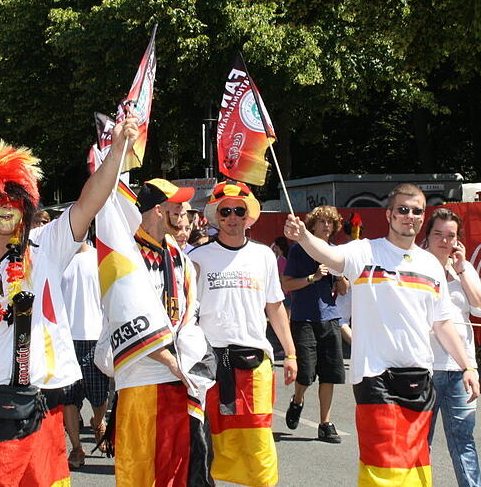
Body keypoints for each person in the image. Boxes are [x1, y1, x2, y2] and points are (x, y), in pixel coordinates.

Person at [0, 117, 136, 486]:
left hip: (43, 401)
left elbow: (89, 202)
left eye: (13, 203)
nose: (5, 211)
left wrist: (116, 151)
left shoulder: (47, 246)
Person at [284, 183, 480, 487]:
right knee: (383, 469)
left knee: (415, 467)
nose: (409, 216)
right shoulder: (365, 251)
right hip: (375, 377)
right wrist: (304, 236)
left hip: (419, 378)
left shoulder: (430, 265)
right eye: (402, 210)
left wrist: (467, 366)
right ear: (389, 214)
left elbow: (443, 323)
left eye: (416, 211)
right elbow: (331, 257)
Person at [188, 180, 297, 487]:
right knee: (209, 440)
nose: (232, 217)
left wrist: (290, 353)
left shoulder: (263, 256)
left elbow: (275, 307)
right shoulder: (199, 257)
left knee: (258, 440)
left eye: (238, 211)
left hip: (254, 361)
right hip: (209, 362)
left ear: (248, 215)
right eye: (225, 212)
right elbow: (187, 311)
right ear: (216, 217)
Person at [107, 178, 215, 485]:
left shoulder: (176, 252)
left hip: (177, 376)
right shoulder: (126, 253)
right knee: (139, 469)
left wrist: (188, 359)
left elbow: (186, 309)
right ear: (158, 210)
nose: (184, 211)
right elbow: (124, 314)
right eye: (177, 206)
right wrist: (170, 360)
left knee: (177, 469)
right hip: (141, 374)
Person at [424, 208, 481, 487]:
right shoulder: (415, 266)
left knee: (463, 440)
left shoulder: (463, 267)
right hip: (425, 369)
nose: (444, 241)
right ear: (426, 236)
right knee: (419, 443)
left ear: (458, 240)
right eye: (438, 234)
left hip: (459, 370)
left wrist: (461, 270)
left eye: (450, 235)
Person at [280, 205, 347, 443]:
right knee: (306, 373)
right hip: (304, 318)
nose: (327, 226)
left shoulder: (335, 252)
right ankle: (297, 401)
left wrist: (339, 275)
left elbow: (343, 289)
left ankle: (325, 423)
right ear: (313, 225)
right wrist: (313, 278)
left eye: (330, 222)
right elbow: (286, 284)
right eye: (322, 222)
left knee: (330, 374)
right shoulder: (299, 250)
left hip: (329, 318)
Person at [59, 239, 108, 469]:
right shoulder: (57, 259)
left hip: (94, 336)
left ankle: (98, 423)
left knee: (99, 396)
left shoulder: (100, 258)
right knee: (68, 398)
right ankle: (76, 448)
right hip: (65, 339)